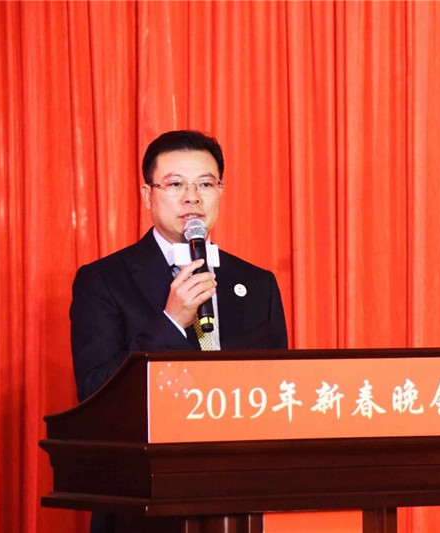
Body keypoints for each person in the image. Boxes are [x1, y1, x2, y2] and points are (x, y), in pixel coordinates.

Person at [69, 130, 288, 532]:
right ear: (147, 195)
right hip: (147, 497)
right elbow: (95, 392)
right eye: (175, 185)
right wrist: (170, 321)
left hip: (240, 495)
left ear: (220, 192)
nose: (192, 197)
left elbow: (278, 389)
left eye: (205, 184)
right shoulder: (104, 280)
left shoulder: (258, 284)